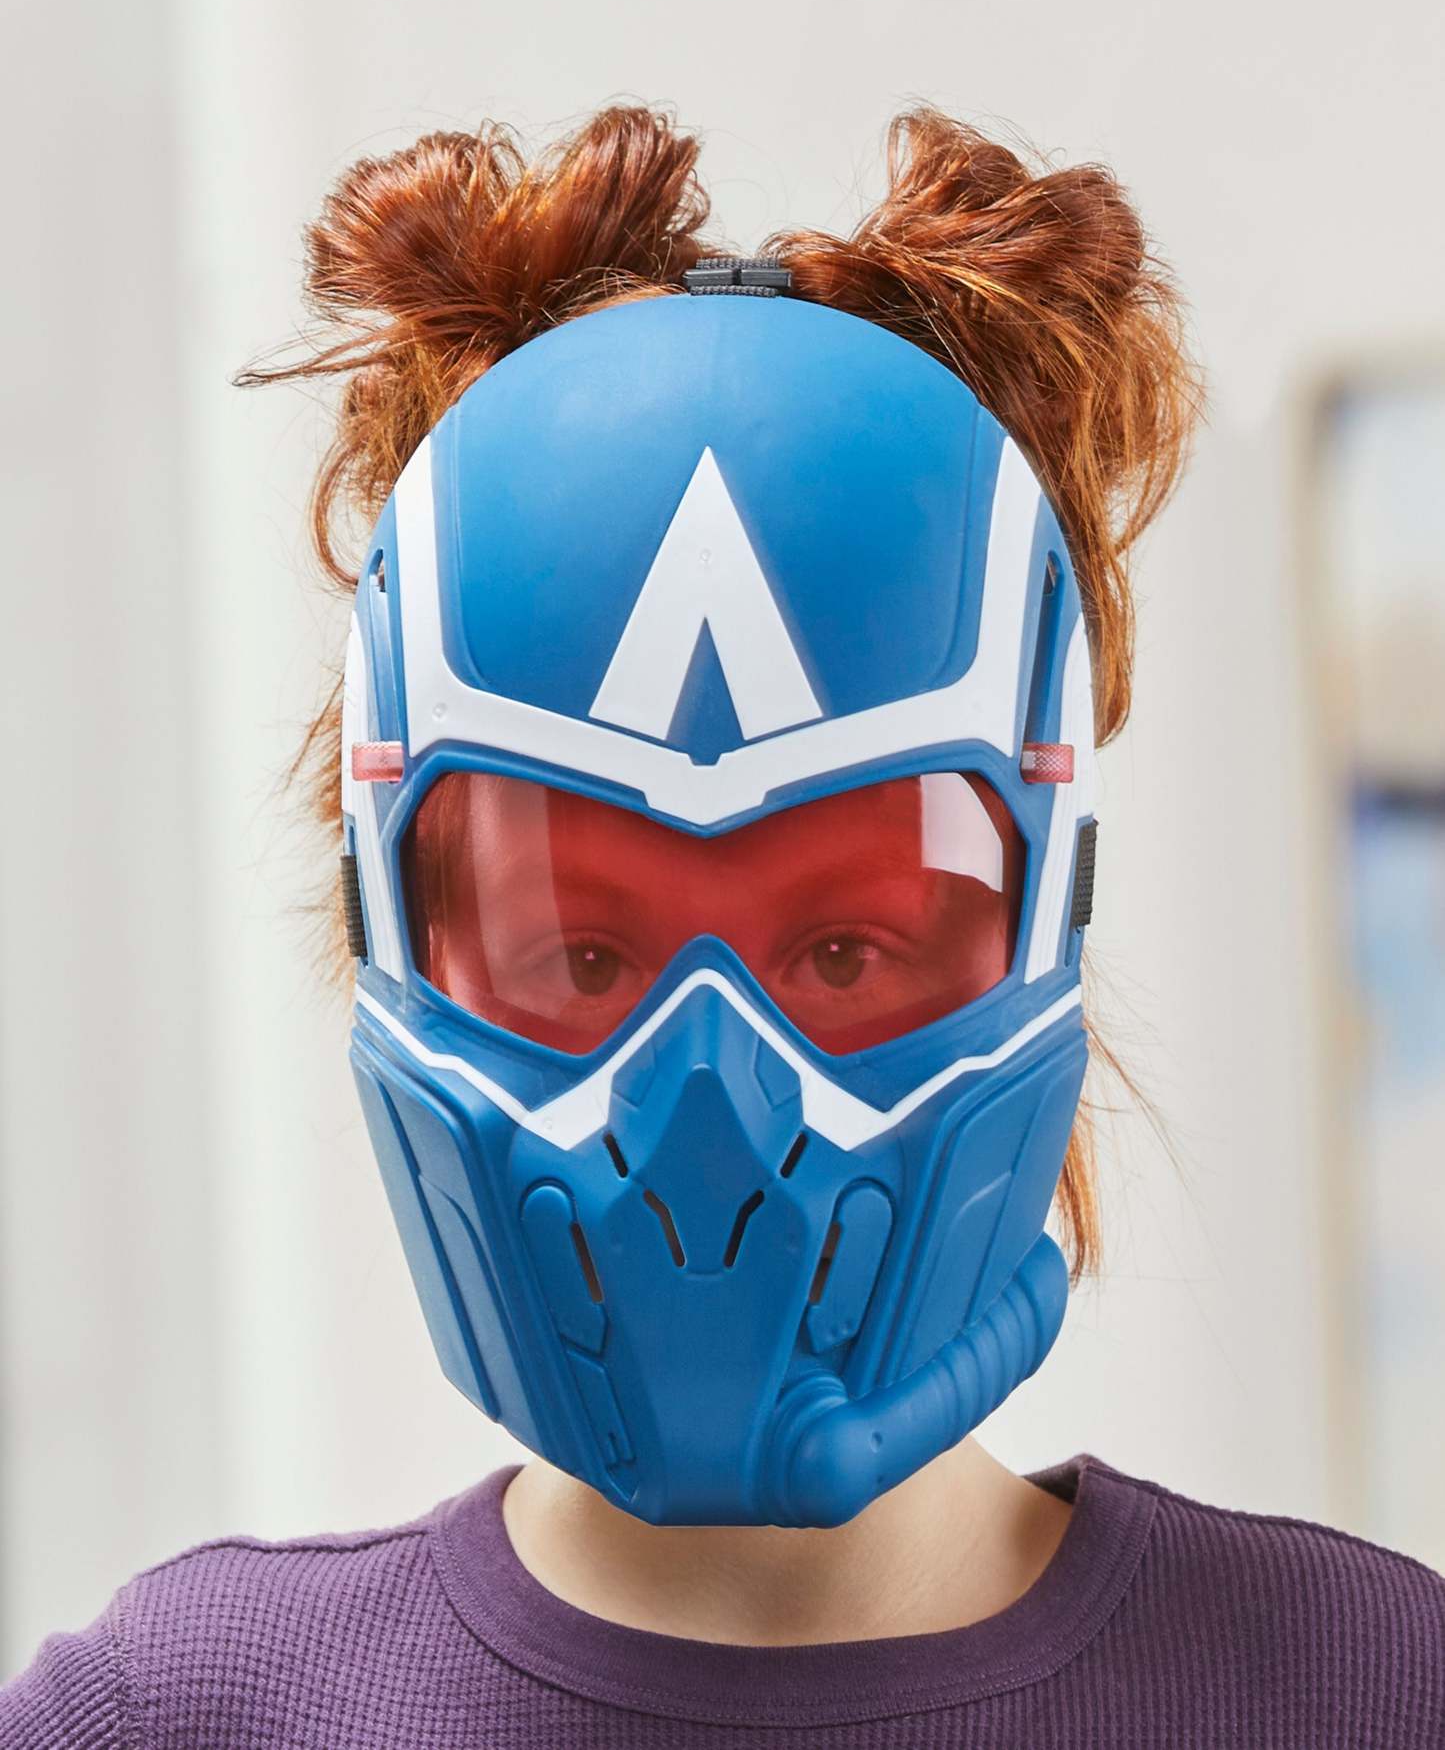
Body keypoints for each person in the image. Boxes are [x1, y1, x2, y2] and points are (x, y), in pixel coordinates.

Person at [3, 102, 1441, 1748]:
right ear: (389, 928)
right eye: (583, 952)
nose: (708, 1110)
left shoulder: (1370, 1692)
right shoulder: (177, 1716)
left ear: (1047, 915)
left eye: (840, 950)